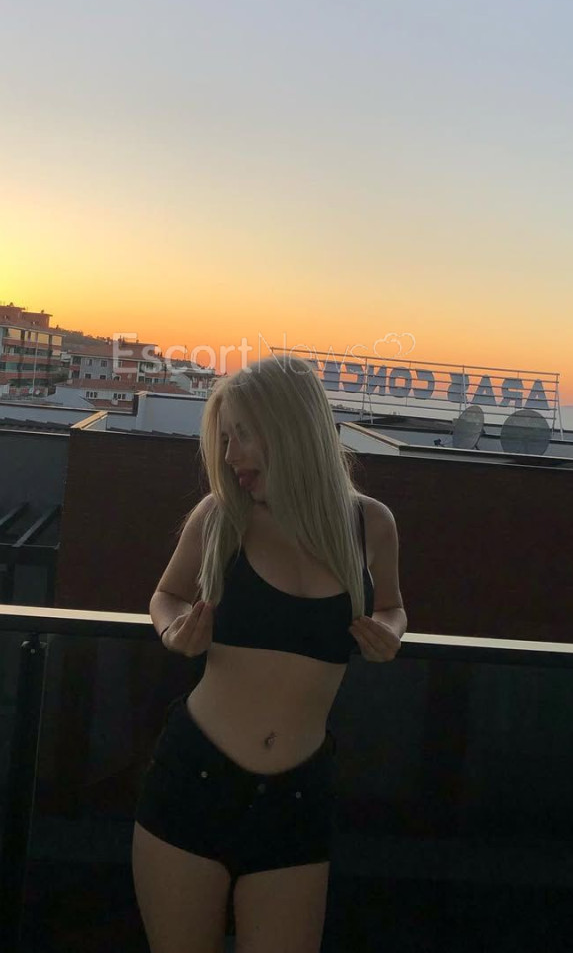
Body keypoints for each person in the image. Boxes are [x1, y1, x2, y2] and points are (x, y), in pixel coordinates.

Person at [132, 355, 406, 953]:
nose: (231, 456)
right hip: (193, 780)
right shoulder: (220, 518)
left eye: (243, 435)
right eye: (225, 439)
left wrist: (390, 633)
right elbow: (165, 596)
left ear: (292, 430)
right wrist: (173, 631)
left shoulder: (369, 524)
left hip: (298, 797)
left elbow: (392, 606)